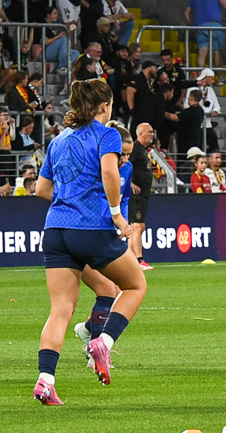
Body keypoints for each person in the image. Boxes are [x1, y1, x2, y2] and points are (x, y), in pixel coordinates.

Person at [31, 78, 148, 400]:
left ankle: (45, 380)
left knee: (60, 311)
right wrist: (116, 214)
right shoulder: (107, 134)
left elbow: (41, 190)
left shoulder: (59, 140)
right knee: (136, 285)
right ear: (103, 106)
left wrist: (69, 200)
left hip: (55, 230)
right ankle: (103, 342)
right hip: (91, 228)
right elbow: (111, 173)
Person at [125, 122, 160, 266]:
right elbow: (123, 165)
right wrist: (130, 183)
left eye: (152, 132)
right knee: (137, 227)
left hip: (142, 194)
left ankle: (132, 260)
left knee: (138, 226)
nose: (152, 134)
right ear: (140, 134)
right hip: (136, 195)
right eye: (149, 132)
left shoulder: (143, 150)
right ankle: (138, 260)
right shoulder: (135, 149)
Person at [184, 0, 226, 66]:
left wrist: (193, 23)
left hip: (200, 26)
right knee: (216, 51)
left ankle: (200, 75)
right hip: (214, 25)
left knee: (202, 51)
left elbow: (187, 14)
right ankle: (220, 76)